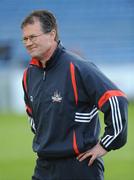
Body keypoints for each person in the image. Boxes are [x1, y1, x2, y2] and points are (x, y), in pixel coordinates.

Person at [21, 10, 128, 180]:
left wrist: (105, 144)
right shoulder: (29, 75)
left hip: (79, 166)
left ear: (52, 34)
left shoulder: (77, 67)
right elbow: (31, 114)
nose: (28, 43)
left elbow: (116, 99)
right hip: (44, 166)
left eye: (33, 37)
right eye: (25, 39)